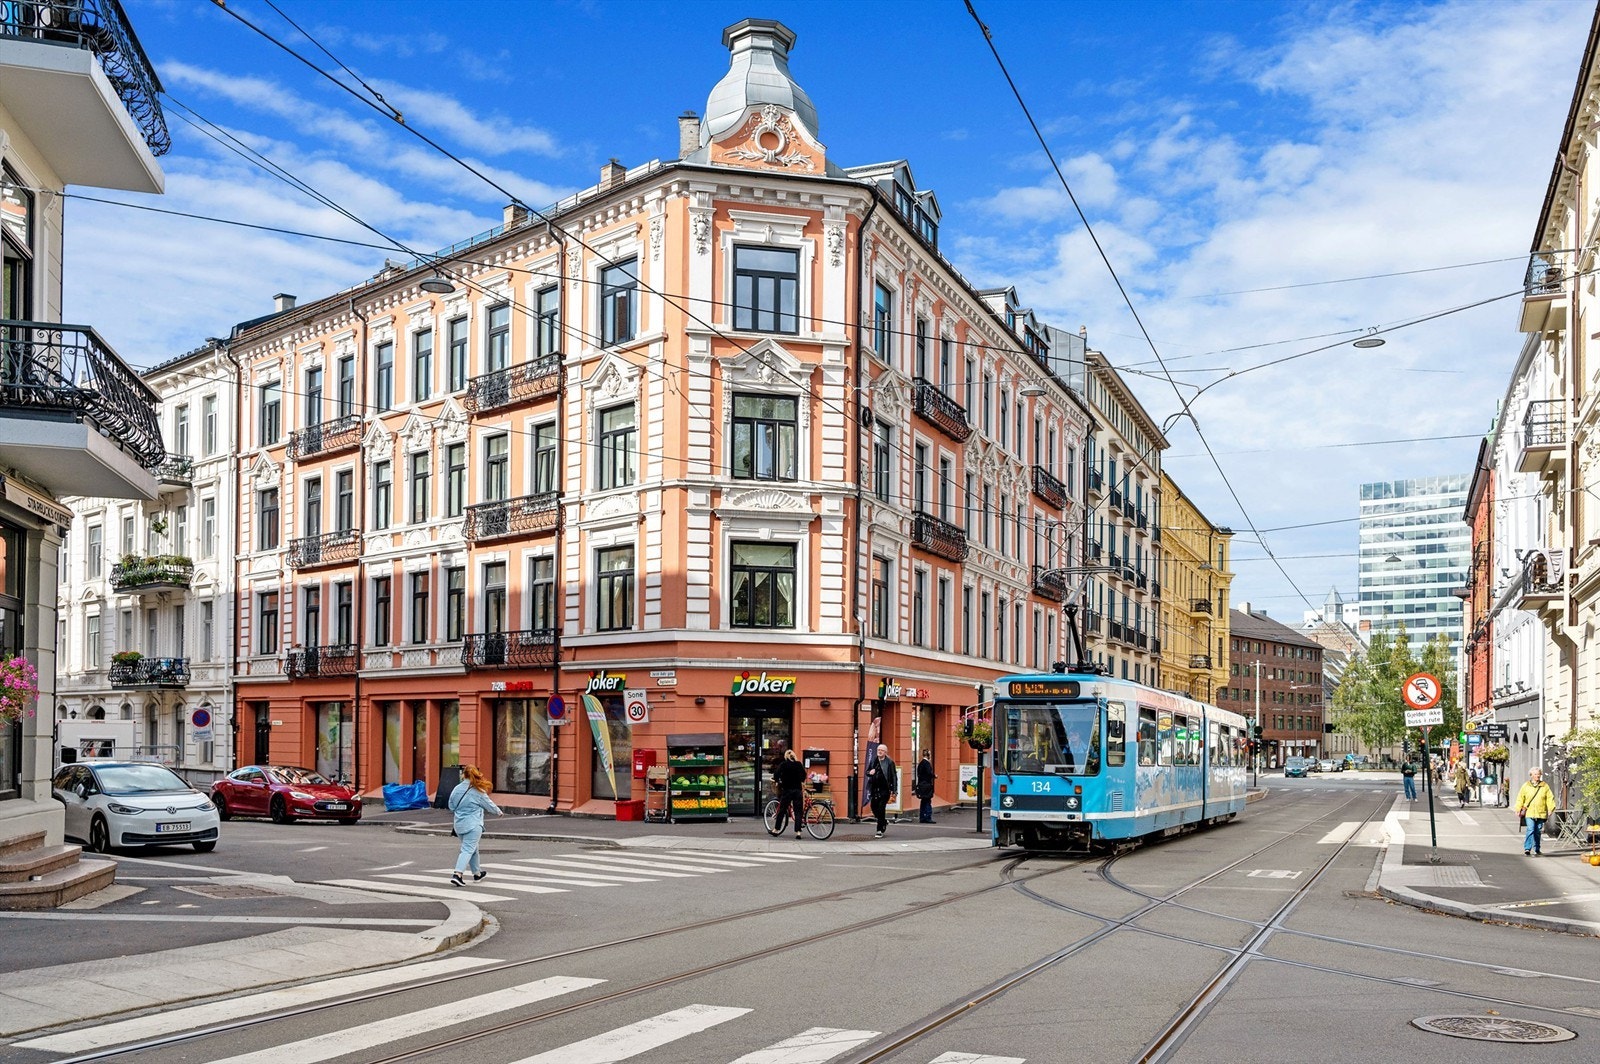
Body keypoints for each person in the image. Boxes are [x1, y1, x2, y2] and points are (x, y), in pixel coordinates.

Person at [448, 764, 501, 886]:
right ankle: (457, 874)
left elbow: (451, 806)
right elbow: (489, 805)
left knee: (473, 849)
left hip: (459, 825)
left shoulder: (456, 789)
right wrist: (498, 812)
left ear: (463, 775)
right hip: (473, 825)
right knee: (467, 849)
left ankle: (477, 873)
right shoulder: (478, 791)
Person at [1515, 767, 1556, 857]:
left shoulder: (1544, 786)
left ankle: (1537, 849)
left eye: (1538, 774)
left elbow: (1550, 798)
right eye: (1535, 774)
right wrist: (1518, 808)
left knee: (1537, 831)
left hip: (1540, 812)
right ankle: (1527, 848)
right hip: (1529, 812)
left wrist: (1550, 808)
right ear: (1531, 775)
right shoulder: (1526, 785)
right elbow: (1520, 797)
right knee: (1530, 829)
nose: (1537, 776)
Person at [774, 748, 806, 838]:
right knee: (798, 812)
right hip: (797, 791)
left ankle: (776, 829)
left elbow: (776, 774)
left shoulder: (783, 764)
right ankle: (798, 832)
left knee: (782, 810)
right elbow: (803, 775)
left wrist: (777, 780)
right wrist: (800, 780)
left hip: (787, 791)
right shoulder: (798, 764)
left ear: (786, 757)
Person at [868, 743, 898, 838]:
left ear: (885, 752)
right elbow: (867, 772)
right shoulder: (873, 760)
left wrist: (894, 790)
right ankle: (883, 821)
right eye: (878, 750)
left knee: (881, 809)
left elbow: (894, 776)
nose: (879, 752)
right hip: (874, 789)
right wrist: (870, 772)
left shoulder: (889, 762)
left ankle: (879, 830)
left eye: (881, 750)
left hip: (884, 789)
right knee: (873, 807)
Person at [913, 750, 936, 823]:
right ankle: (927, 817)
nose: (931, 756)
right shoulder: (927, 764)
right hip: (926, 785)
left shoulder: (920, 763)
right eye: (930, 754)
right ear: (928, 755)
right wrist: (934, 776)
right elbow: (929, 773)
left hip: (921, 784)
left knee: (923, 801)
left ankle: (922, 817)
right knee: (927, 801)